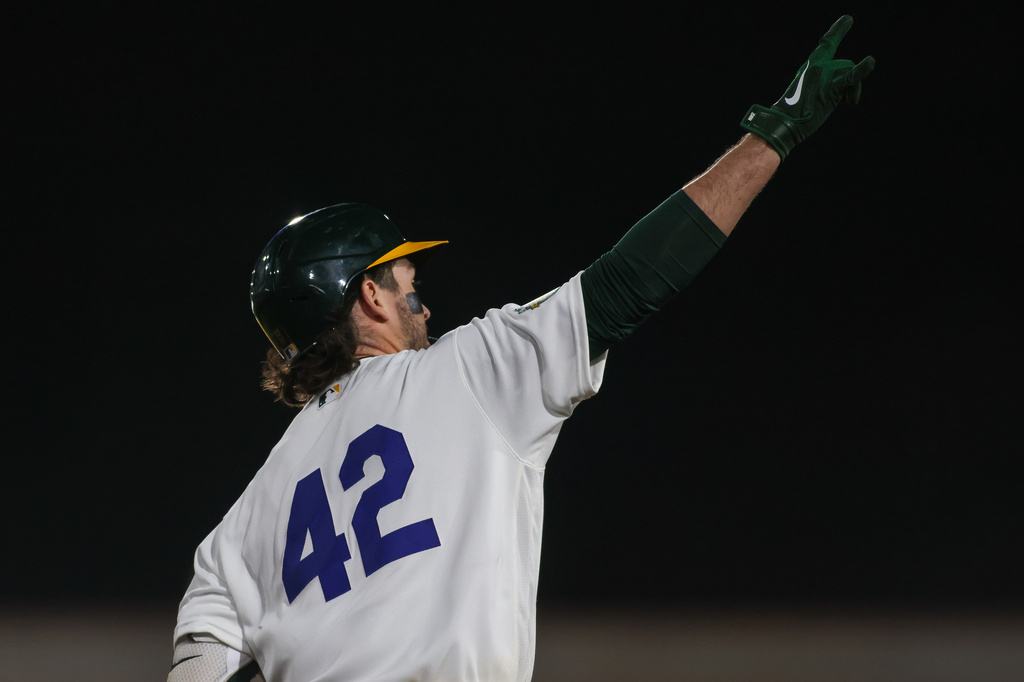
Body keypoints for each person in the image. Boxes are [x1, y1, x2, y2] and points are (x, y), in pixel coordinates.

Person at [169, 16, 874, 682]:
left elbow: (200, 660)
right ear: (371, 298)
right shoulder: (465, 373)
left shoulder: (247, 516)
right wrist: (775, 132)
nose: (424, 300)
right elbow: (631, 281)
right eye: (408, 280)